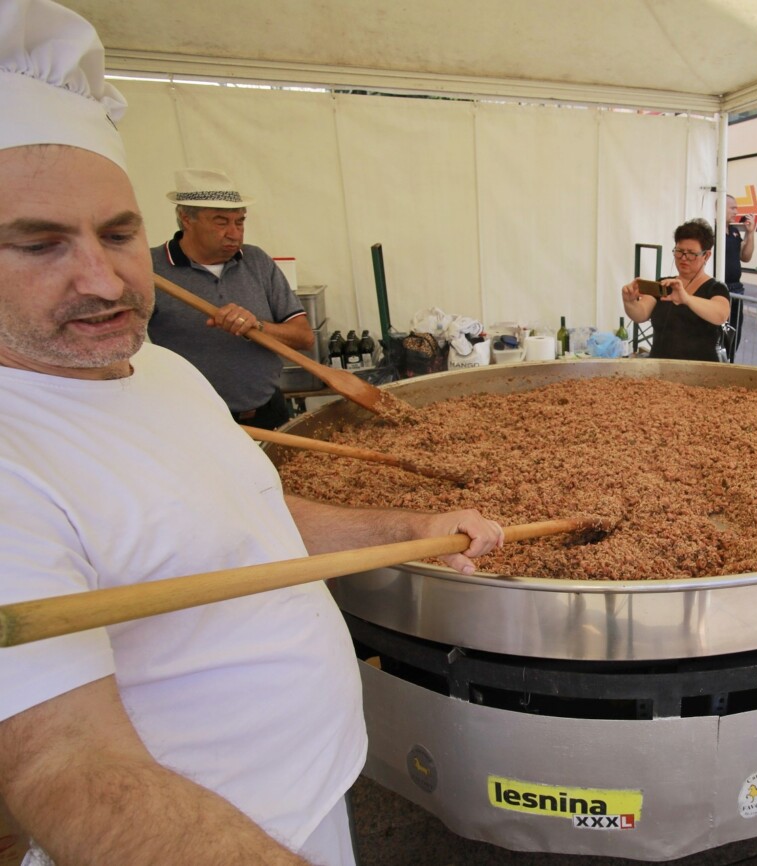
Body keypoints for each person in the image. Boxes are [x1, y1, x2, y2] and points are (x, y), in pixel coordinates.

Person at [0, 4, 505, 864]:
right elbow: (62, 761)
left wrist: (404, 530)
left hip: (309, 793)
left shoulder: (160, 371)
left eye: (115, 234)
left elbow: (251, 513)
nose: (101, 278)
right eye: (39, 245)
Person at [149, 168, 314, 429]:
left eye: (240, 222)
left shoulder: (256, 261)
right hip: (196, 422)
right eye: (221, 222)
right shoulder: (150, 269)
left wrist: (256, 326)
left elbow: (304, 337)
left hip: (269, 412)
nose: (235, 233)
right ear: (186, 219)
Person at [621, 219, 731, 362]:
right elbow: (640, 314)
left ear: (706, 255)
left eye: (691, 253)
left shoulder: (716, 288)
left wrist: (687, 299)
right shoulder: (664, 284)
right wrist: (630, 302)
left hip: (699, 372)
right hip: (659, 368)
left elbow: (720, 314)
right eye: (679, 252)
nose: (683, 258)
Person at [722, 194, 755, 362]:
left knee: (735, 331)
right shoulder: (714, 231)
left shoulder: (734, 232)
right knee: (721, 331)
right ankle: (720, 361)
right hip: (721, 289)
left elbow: (746, 256)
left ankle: (730, 360)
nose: (736, 211)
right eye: (732, 208)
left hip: (736, 290)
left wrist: (750, 233)